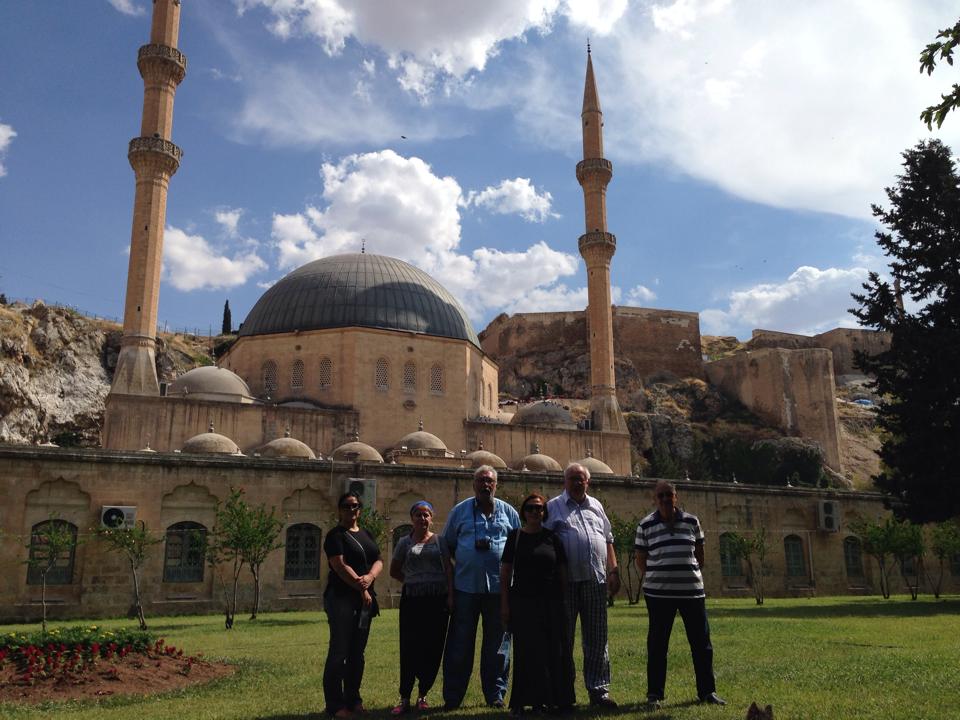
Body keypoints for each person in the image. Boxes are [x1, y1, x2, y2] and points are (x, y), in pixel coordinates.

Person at [634, 480, 726, 709]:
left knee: (701, 643)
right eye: (661, 496)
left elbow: (700, 556)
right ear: (654, 499)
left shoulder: (692, 521)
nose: (665, 499)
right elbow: (641, 561)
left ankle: (707, 691)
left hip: (691, 593)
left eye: (669, 495)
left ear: (676, 497)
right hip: (658, 595)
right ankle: (654, 694)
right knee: (657, 644)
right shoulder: (645, 525)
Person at [441, 464, 520, 710]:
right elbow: (447, 547)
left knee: (497, 645)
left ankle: (496, 693)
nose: (486, 485)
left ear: (496, 485)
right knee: (460, 643)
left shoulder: (509, 512)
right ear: (473, 484)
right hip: (466, 588)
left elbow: (518, 547)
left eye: (490, 481)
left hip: (499, 591)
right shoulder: (460, 512)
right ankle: (453, 696)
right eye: (481, 481)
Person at [544, 463, 620, 708]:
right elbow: (542, 542)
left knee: (597, 638)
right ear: (564, 481)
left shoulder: (596, 506)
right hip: (564, 584)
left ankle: (599, 691)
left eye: (581, 479)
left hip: (595, 581)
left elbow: (608, 540)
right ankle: (563, 692)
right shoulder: (553, 507)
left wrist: (614, 570)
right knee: (563, 640)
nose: (577, 482)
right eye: (572, 479)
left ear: (588, 482)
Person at [500, 493, 575, 717]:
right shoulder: (515, 537)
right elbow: (505, 572)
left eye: (539, 508)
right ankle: (521, 701)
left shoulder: (552, 538)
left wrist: (563, 601)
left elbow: (562, 572)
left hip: (551, 602)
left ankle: (551, 701)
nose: (535, 512)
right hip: (523, 601)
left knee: (554, 651)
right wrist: (504, 604)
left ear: (545, 513)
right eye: (531, 508)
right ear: (523, 512)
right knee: (525, 652)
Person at [389, 500, 454, 715]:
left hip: (436, 600)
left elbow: (448, 570)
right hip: (413, 601)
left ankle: (423, 693)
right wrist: (413, 581)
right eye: (418, 514)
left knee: (433, 647)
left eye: (426, 515)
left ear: (432, 518)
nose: (422, 518)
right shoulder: (404, 543)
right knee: (409, 646)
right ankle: (405, 696)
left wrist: (450, 595)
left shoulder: (439, 541)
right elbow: (394, 570)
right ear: (412, 519)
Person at [323, 491, 383, 718]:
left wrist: (370, 577)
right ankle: (335, 705)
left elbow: (378, 559)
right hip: (341, 599)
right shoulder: (335, 535)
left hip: (364, 600)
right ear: (339, 510)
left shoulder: (366, 533)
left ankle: (353, 699)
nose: (352, 510)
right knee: (339, 652)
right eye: (347, 506)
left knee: (358, 653)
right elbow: (339, 565)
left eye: (356, 506)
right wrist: (362, 587)